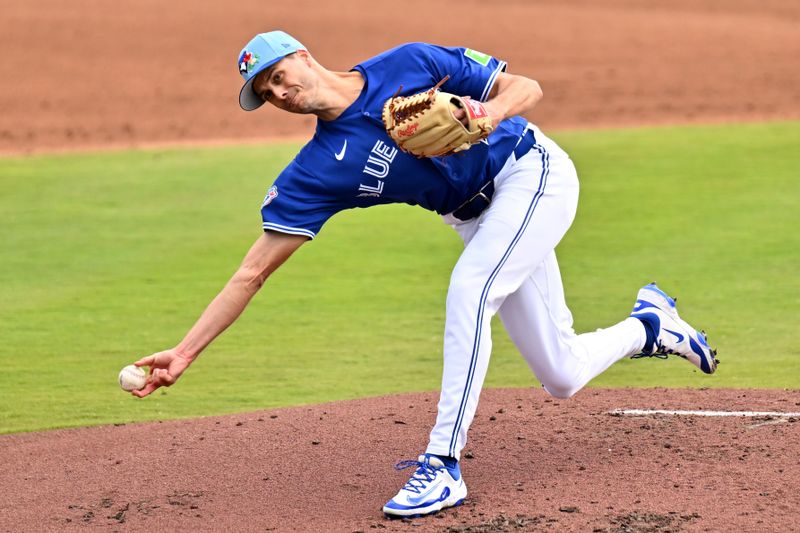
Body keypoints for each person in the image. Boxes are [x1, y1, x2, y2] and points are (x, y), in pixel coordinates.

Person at [131, 30, 718, 518]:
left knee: (471, 290)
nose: (281, 93)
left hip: (531, 174)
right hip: (478, 221)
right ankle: (651, 326)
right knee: (561, 374)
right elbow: (250, 273)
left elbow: (525, 87)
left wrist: (487, 113)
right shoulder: (315, 172)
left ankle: (442, 465)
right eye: (268, 93)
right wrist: (185, 352)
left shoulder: (407, 64)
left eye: (280, 76)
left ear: (303, 56)